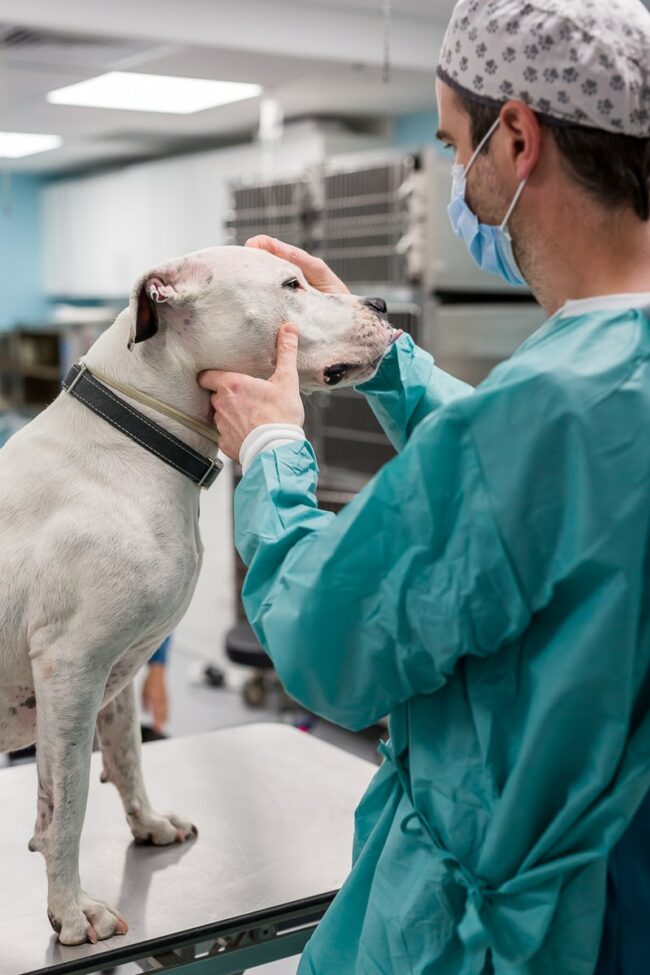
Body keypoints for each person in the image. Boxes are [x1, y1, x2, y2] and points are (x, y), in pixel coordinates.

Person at [198, 1, 650, 972]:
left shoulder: (543, 412)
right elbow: (554, 501)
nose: (459, 175)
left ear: (517, 136)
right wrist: (381, 356)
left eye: (453, 144)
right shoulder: (594, 389)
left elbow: (329, 646)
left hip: (512, 929)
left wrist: (273, 452)